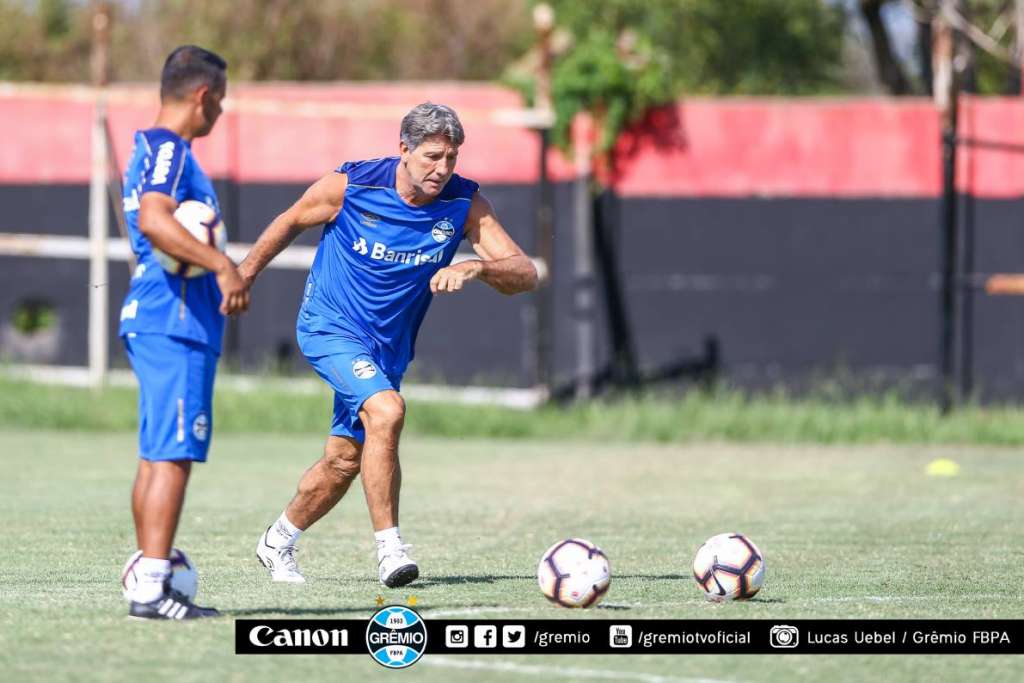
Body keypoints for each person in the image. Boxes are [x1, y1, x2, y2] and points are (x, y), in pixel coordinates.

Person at [240, 103, 538, 587]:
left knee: (344, 461)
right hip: (328, 328)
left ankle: (278, 540)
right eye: (431, 157)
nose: (442, 169)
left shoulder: (465, 203)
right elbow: (290, 220)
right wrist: (243, 276)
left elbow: (526, 273)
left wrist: (477, 268)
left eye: (451, 158)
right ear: (403, 149)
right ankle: (390, 550)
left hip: (386, 350)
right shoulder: (352, 186)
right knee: (387, 410)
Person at [119, 45, 250, 619]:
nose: (220, 112)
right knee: (173, 454)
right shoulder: (171, 148)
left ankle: (151, 570)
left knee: (157, 455)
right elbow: (154, 219)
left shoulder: (150, 147)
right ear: (202, 96)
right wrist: (222, 264)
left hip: (157, 316)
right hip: (174, 319)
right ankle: (151, 585)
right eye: (219, 100)